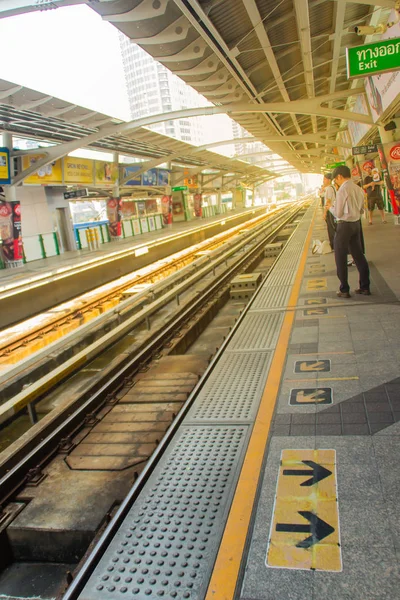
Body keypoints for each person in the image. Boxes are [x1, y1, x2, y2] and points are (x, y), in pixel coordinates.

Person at [331, 165, 370, 298]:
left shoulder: (343, 189)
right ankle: (365, 287)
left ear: (339, 177)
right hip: (356, 225)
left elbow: (338, 213)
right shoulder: (358, 189)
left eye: (336, 180)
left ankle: (344, 289)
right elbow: (361, 210)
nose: (336, 182)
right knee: (358, 255)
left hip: (344, 226)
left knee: (340, 257)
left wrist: (330, 207)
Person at [322, 173, 336, 250]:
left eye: (324, 179)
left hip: (330, 211)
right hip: (333, 210)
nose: (323, 180)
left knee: (331, 228)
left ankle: (334, 245)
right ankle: (334, 245)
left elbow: (328, 201)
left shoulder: (329, 189)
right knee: (332, 228)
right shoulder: (332, 187)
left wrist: (324, 213)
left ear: (329, 180)